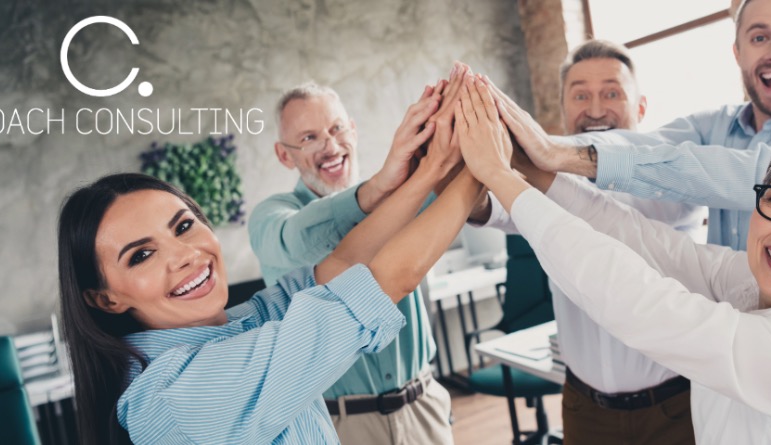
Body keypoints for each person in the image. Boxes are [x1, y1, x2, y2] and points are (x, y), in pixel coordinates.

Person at [456, 74, 771, 443]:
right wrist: (536, 171)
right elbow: (648, 242)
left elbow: (639, 303)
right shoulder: (758, 285)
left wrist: (501, 176)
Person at [58, 107, 481, 443]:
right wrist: (479, 170)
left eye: (184, 226)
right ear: (106, 298)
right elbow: (380, 284)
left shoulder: (241, 325)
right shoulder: (176, 396)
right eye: (142, 255)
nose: (185, 255)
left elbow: (343, 263)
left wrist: (432, 169)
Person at [476, 40, 704, 444]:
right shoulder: (542, 181)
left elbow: (610, 202)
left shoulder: (672, 178)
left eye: (612, 94)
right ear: (564, 108)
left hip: (674, 406)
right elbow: (491, 207)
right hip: (584, 410)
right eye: (581, 95)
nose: (596, 109)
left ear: (641, 107)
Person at [492, 0, 771, 252]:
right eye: (759, 38)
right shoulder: (713, 126)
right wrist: (506, 155)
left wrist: (557, 153)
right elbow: (641, 148)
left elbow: (762, 175)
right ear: (738, 52)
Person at [248, 68, 468, 444]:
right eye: (309, 138)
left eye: (336, 129)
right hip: (341, 426)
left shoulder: (407, 192)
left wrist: (458, 121)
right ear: (285, 155)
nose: (330, 145)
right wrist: (381, 186)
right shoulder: (271, 218)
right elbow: (299, 239)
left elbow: (464, 194)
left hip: (424, 408)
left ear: (353, 129)